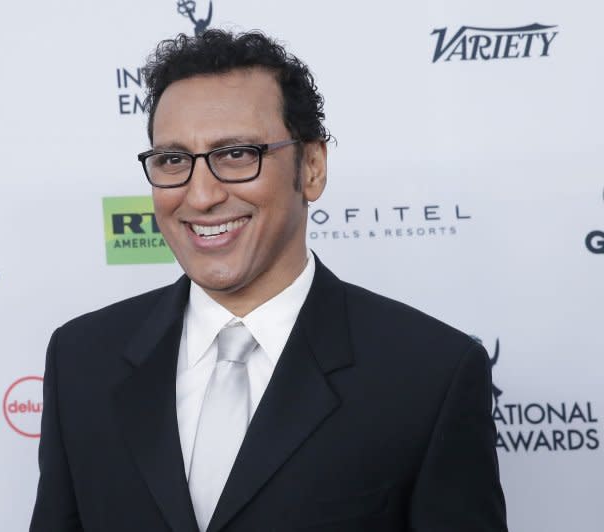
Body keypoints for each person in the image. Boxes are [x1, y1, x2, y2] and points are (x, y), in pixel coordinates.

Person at [30, 29, 507, 531]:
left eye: (236, 154)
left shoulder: (430, 374)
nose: (201, 195)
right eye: (173, 160)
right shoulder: (81, 359)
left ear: (313, 169)